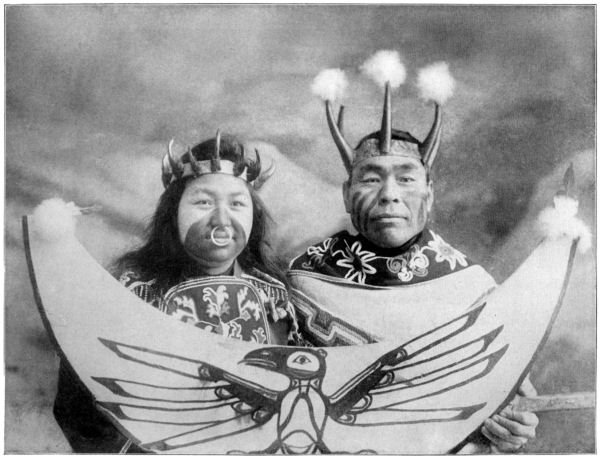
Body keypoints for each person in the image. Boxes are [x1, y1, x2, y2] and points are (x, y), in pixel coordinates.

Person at [289, 72, 538, 453]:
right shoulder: (304, 280)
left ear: (429, 194)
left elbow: (518, 401)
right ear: (347, 194)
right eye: (371, 180)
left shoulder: (474, 289)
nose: (389, 194)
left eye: (406, 179)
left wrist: (515, 428)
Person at [53, 131, 300, 452]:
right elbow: (81, 408)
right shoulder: (131, 293)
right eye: (203, 202)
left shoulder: (273, 297)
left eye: (237, 203)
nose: (222, 218)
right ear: (174, 212)